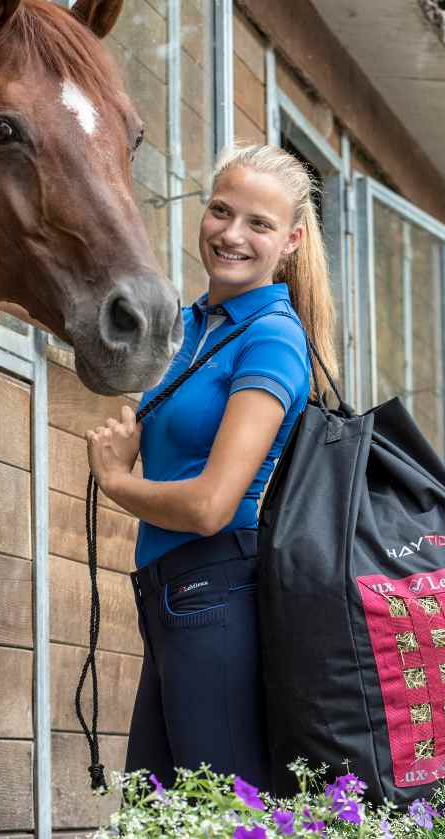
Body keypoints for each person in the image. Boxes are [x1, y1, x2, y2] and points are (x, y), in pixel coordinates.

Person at [86, 143, 338, 790]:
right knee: (160, 828)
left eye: (258, 224)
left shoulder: (271, 337)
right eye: (221, 212)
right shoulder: (193, 325)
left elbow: (210, 505)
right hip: (170, 597)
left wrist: (118, 481)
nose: (232, 235)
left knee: (219, 832)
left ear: (291, 241)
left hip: (218, 591)